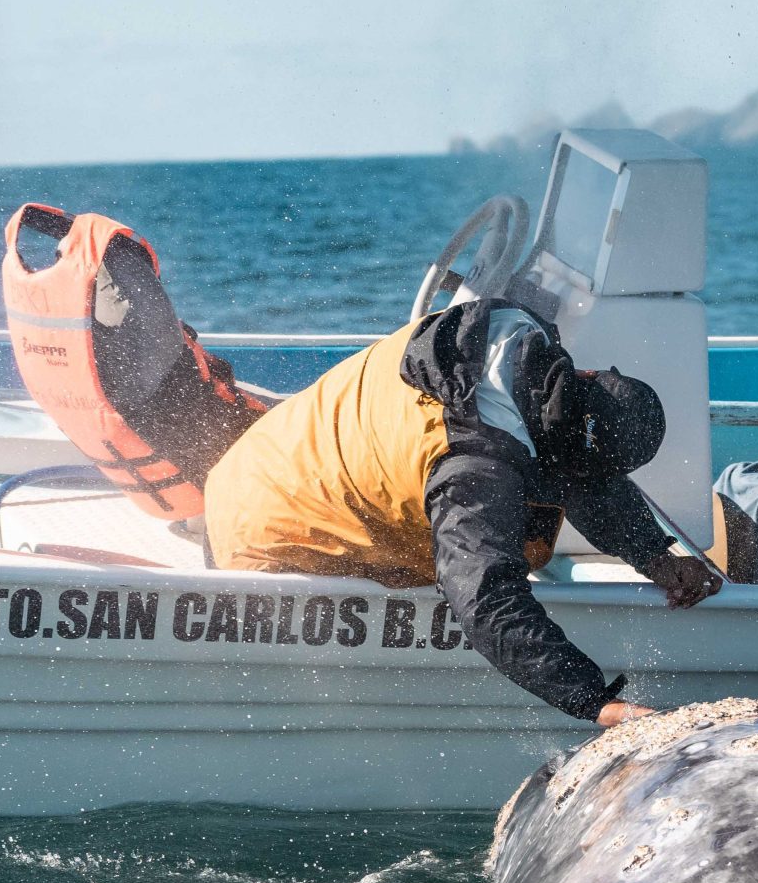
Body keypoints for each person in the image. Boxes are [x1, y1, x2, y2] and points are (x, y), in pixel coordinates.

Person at [202, 299, 722, 727]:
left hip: (261, 459)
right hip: (264, 535)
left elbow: (574, 469)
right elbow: (486, 599)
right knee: (467, 571)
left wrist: (654, 556)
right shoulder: (475, 473)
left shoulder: (517, 331)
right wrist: (596, 702)